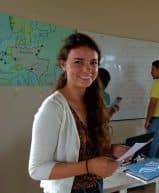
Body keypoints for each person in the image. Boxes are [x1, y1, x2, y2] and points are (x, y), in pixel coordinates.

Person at [28, 33, 128, 193]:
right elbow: (37, 170)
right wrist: (88, 166)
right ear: (63, 64)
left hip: (96, 186)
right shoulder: (53, 108)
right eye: (78, 62)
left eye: (93, 63)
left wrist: (110, 150)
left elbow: (82, 148)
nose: (87, 68)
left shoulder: (93, 102)